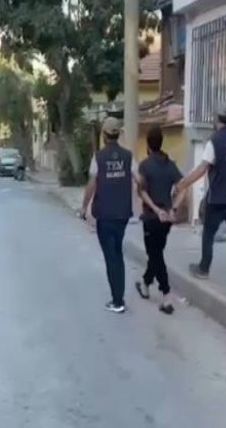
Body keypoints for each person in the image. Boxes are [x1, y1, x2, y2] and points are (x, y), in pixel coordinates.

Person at [174, 108, 226, 288]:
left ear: (216, 119)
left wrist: (183, 184)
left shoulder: (214, 141)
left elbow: (202, 168)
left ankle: (203, 268)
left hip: (218, 199)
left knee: (208, 233)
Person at [80, 117, 138, 314]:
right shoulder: (128, 156)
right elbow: (140, 179)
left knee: (111, 257)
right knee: (117, 253)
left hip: (104, 214)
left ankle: (117, 301)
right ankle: (118, 296)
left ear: (104, 135)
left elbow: (92, 184)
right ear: (118, 134)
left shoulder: (98, 157)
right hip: (122, 214)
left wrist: (84, 207)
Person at [135, 127, 186, 315]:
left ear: (148, 145)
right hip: (166, 220)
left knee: (155, 256)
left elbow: (141, 191)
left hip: (152, 217)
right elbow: (184, 187)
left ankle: (167, 296)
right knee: (156, 253)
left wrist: (156, 210)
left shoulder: (145, 165)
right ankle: (145, 283)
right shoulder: (170, 165)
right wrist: (173, 208)